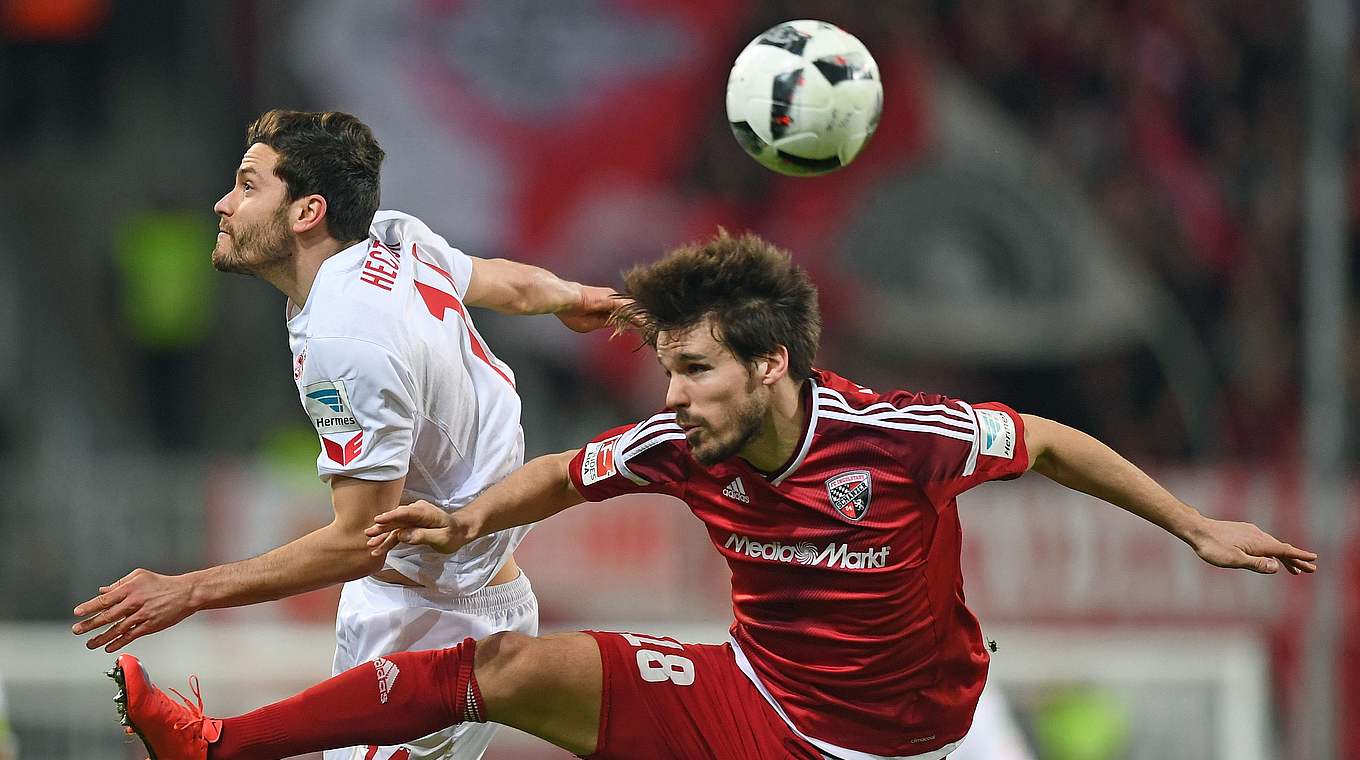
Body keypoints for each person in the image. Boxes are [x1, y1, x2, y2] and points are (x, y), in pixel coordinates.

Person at [108, 230, 1317, 760]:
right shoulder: (676, 445)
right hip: (751, 707)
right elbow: (564, 474)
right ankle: (216, 746)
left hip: (904, 745)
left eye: (692, 369)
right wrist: (474, 518)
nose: (672, 395)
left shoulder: (898, 439)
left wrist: (1195, 526)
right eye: (665, 370)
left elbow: (1048, 440)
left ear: (771, 364)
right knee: (509, 668)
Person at [73, 110, 619, 760]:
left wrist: (189, 590)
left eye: (249, 186)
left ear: (307, 212)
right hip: (412, 599)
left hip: (438, 625)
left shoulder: (350, 338)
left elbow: (359, 542)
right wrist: (575, 296)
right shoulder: (391, 237)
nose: (223, 204)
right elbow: (512, 284)